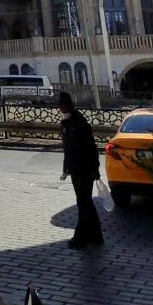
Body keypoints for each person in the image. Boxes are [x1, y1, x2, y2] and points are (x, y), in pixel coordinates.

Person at [59, 91, 104, 249]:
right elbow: (67, 149)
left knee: (83, 202)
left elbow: (91, 148)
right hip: (74, 169)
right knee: (86, 202)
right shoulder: (65, 124)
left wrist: (95, 168)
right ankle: (96, 236)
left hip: (85, 169)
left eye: (64, 107)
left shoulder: (80, 123)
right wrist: (66, 167)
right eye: (60, 108)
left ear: (69, 107)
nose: (62, 110)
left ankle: (80, 237)